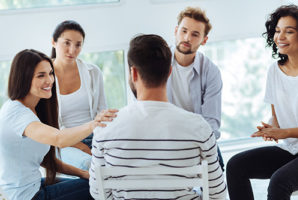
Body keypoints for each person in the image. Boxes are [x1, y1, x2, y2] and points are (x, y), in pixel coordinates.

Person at [89, 34, 227, 199]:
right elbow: (217, 194)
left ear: (133, 73)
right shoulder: (199, 127)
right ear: (170, 72)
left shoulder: (105, 128)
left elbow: (98, 193)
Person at [0, 49, 115, 200]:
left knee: (93, 181)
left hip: (34, 185)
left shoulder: (34, 109)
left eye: (50, 73)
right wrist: (94, 124)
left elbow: (47, 160)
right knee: (99, 188)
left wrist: (83, 174)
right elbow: (59, 139)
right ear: (24, 79)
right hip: (27, 196)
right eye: (41, 75)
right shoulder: (16, 112)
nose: (50, 80)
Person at [226, 5, 298, 200]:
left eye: (289, 31)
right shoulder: (274, 71)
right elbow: (276, 115)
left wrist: (283, 132)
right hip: (292, 149)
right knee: (235, 166)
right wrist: (272, 128)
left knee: (279, 181)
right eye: (277, 31)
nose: (280, 37)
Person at [51, 20, 116, 170]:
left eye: (78, 45)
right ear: (54, 42)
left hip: (95, 136)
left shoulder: (93, 72)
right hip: (65, 142)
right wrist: (81, 147)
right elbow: (49, 125)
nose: (72, 50)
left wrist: (102, 143)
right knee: (89, 164)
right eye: (66, 43)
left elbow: (102, 112)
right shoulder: (44, 77)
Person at [167, 7, 224, 169]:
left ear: (204, 40)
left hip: (198, 138)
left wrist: (193, 147)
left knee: (217, 167)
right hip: (166, 138)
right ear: (176, 31)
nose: (187, 38)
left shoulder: (211, 71)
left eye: (195, 34)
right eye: (184, 31)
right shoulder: (158, 62)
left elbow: (211, 123)